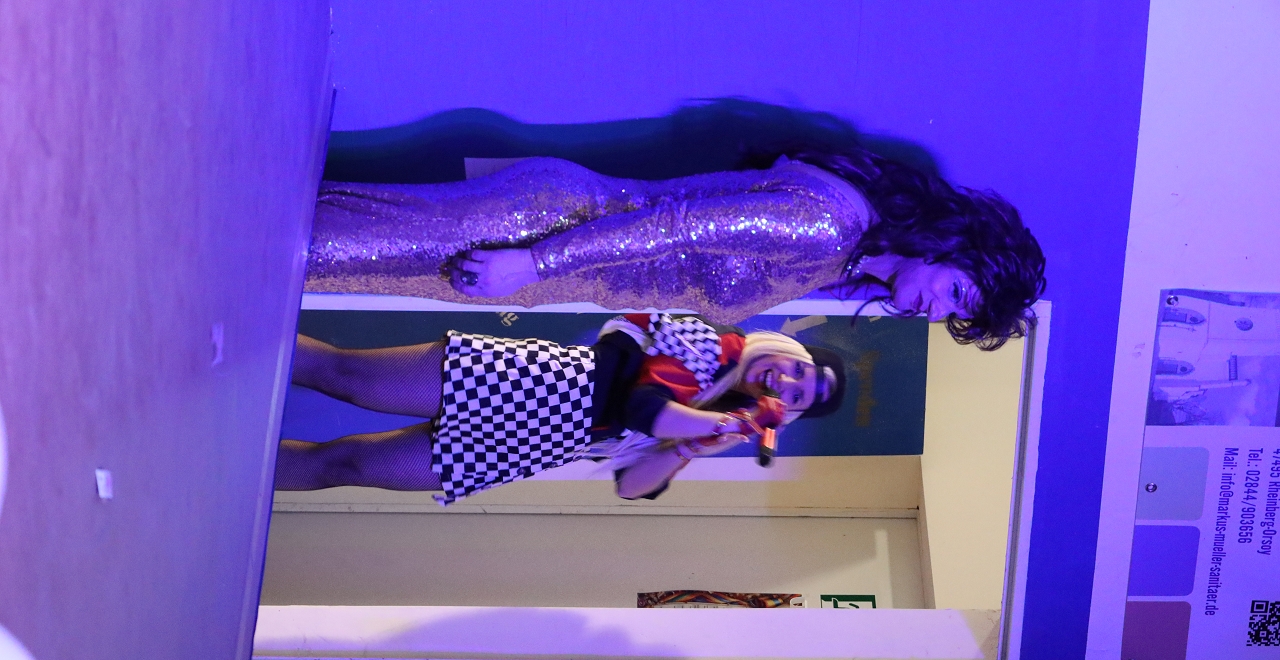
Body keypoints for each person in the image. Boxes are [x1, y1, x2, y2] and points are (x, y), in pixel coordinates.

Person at [306, 146, 1045, 350]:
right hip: (541, 230)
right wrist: (531, 263)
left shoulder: (845, 259)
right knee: (315, 251)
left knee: (327, 238)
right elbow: (673, 228)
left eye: (952, 316)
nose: (935, 311)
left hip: (547, 264)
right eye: (955, 291)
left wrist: (537, 277)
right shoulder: (828, 227)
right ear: (948, 245)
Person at [275, 313, 846, 504]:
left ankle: (228, 476)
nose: (785, 382)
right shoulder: (714, 346)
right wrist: (726, 423)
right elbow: (643, 407)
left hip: (540, 444)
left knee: (347, 466)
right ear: (788, 350)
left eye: (796, 395)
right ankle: (235, 341)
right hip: (536, 385)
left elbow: (632, 487)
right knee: (344, 374)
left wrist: (697, 445)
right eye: (797, 369)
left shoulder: (720, 417)